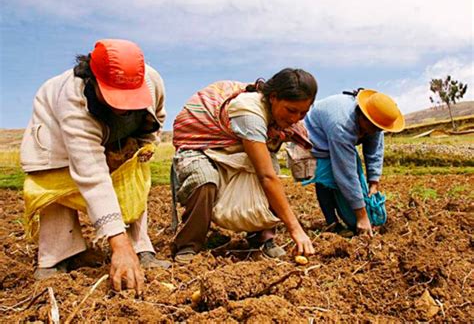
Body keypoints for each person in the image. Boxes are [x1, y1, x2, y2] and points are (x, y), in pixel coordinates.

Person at [20, 39, 170, 295]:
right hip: (56, 143)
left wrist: (143, 145)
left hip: (118, 137)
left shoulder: (151, 80)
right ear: (94, 80)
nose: (123, 108)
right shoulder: (73, 103)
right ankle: (56, 258)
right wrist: (117, 246)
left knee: (131, 178)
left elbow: (158, 116)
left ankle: (140, 247)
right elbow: (92, 176)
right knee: (56, 187)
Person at [171, 68, 318, 264]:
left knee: (270, 168)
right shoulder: (249, 113)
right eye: (291, 110)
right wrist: (295, 228)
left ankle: (262, 238)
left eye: (303, 113)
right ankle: (189, 244)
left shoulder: (281, 120)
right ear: (273, 97)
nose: (295, 119)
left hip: (235, 146)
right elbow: (266, 177)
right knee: (203, 180)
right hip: (201, 146)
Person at [303, 89, 405, 237]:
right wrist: (362, 217)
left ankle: (349, 214)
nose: (376, 131)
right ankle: (332, 223)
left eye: (379, 129)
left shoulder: (375, 121)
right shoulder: (341, 126)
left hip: (336, 135)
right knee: (326, 179)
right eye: (373, 128)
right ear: (362, 118)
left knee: (355, 189)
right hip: (315, 139)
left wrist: (373, 182)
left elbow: (374, 151)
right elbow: (346, 174)